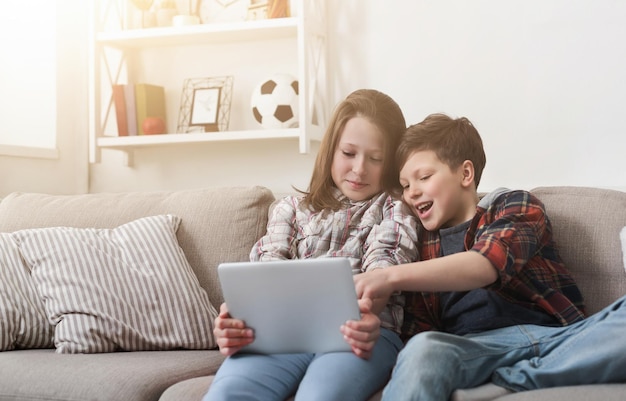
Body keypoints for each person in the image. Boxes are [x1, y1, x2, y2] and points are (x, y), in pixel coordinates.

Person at [354, 113, 626, 400]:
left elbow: (485, 264)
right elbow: (417, 332)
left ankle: (519, 375)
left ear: (465, 174)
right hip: (475, 349)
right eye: (406, 185)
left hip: (553, 338)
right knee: (423, 349)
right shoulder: (420, 243)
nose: (412, 193)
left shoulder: (515, 204)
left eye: (423, 177)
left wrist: (388, 276)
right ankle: (527, 374)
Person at [203, 89, 419, 401]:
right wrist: (240, 315)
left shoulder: (394, 207)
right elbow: (266, 271)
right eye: (348, 154)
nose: (359, 169)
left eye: (375, 159)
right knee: (228, 394)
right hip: (283, 335)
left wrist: (370, 307)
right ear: (330, 150)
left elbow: (384, 264)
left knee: (321, 396)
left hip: (360, 334)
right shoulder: (290, 209)